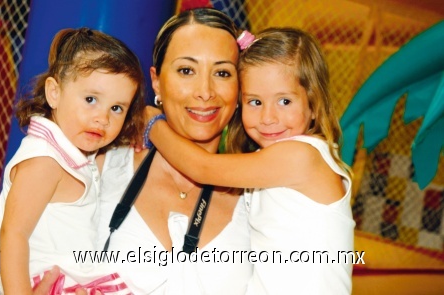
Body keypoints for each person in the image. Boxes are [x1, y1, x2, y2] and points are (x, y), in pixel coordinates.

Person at [144, 27, 355, 294]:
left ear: (313, 105)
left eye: (285, 101)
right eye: (255, 102)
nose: (268, 117)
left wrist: (152, 123)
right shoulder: (267, 161)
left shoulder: (302, 156)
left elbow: (202, 168)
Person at [92, 7, 253, 295]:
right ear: (156, 81)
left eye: (222, 72)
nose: (205, 91)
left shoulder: (259, 198)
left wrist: (153, 123)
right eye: (186, 70)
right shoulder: (102, 168)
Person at [0, 27, 145, 294]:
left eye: (117, 108)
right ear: (54, 93)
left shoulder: (74, 154)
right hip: (47, 284)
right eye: (90, 99)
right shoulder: (45, 161)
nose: (103, 117)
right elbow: (13, 234)